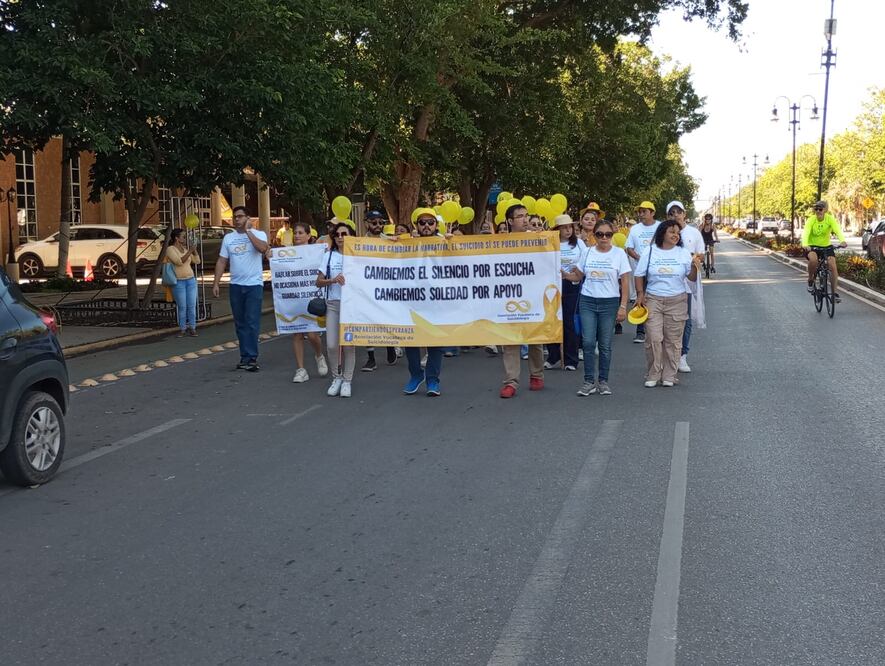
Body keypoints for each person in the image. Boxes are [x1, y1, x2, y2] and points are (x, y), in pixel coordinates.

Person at [634, 220, 701, 388]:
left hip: (677, 300)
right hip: (653, 299)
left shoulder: (683, 253)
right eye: (671, 231)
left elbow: (691, 278)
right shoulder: (649, 252)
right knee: (654, 338)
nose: (675, 235)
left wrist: (695, 267)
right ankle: (653, 373)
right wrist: (640, 294)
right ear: (662, 233)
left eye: (677, 233)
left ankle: (669, 375)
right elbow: (639, 274)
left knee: (673, 340)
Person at [571, 219, 631, 396]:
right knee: (588, 342)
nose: (604, 238)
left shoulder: (619, 254)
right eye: (600, 234)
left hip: (609, 303)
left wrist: (622, 306)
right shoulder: (587, 253)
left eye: (608, 234)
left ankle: (603, 381)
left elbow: (625, 282)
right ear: (594, 235)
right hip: (588, 300)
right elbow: (577, 276)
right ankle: (589, 381)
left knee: (604, 345)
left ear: (612, 235)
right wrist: (558, 273)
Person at [213, 205, 269, 372]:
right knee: (240, 323)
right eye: (234, 217)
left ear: (248, 218)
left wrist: (249, 232)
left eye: (240, 216)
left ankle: (252, 357)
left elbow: (263, 249)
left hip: (254, 285)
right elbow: (222, 261)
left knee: (252, 322)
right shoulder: (228, 238)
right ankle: (244, 356)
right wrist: (216, 282)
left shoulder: (259, 234)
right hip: (236, 285)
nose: (236, 220)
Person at [500, 203, 544, 398]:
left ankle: (537, 374)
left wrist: (543, 238)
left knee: (535, 337)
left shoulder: (538, 239)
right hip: (510, 296)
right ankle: (511, 381)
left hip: (533, 295)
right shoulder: (501, 242)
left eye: (526, 215)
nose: (525, 219)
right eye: (520, 216)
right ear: (510, 221)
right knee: (510, 340)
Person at [402, 208, 445, 396]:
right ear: (416, 226)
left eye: (430, 222)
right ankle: (416, 375)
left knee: (436, 342)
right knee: (410, 340)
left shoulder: (446, 243)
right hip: (413, 300)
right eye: (422, 222)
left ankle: (433, 380)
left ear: (436, 225)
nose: (426, 226)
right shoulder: (407, 244)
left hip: (438, 301)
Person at [317, 222, 356, 397]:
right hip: (333, 304)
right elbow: (318, 281)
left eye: (344, 234)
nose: (340, 237)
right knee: (332, 345)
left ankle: (347, 381)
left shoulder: (358, 255)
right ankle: (336, 377)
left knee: (348, 345)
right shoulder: (329, 256)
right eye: (337, 234)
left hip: (352, 307)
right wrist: (333, 280)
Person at [288, 221, 329, 383]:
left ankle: (319, 355)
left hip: (312, 297)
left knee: (312, 334)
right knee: (297, 333)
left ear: (308, 235)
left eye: (300, 233)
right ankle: (301, 369)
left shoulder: (317, 252)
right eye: (295, 233)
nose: (297, 236)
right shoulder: (287, 253)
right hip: (295, 298)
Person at [666, 201, 704, 374]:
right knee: (667, 322)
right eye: (672, 213)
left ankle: (682, 355)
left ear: (684, 213)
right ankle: (668, 356)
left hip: (687, 284)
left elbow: (701, 254)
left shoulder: (693, 233)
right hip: (667, 284)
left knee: (685, 321)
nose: (676, 215)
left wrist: (692, 259)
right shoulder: (664, 233)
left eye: (678, 212)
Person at [545, 214, 583, 371]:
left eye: (570, 227)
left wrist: (576, 272)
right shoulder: (551, 244)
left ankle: (571, 359)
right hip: (553, 285)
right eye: (564, 228)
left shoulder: (579, 243)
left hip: (572, 284)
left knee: (569, 321)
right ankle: (553, 356)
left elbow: (585, 260)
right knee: (552, 320)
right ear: (557, 230)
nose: (568, 230)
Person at [362, 209, 398, 370]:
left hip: (386, 288)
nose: (377, 226)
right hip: (367, 288)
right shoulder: (358, 244)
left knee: (386, 319)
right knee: (368, 322)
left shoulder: (389, 241)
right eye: (374, 222)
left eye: (380, 223)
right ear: (366, 223)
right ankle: (371, 358)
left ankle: (390, 345)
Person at [625, 201, 659, 344]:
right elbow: (628, 248)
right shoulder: (635, 229)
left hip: (658, 269)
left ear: (652, 213)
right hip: (641, 270)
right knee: (641, 297)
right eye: (640, 212)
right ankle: (640, 332)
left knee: (656, 298)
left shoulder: (660, 227)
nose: (641, 215)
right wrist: (640, 258)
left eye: (644, 212)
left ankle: (655, 330)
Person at [802, 200, 847, 302]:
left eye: (820, 209)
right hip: (812, 247)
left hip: (826, 247)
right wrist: (805, 244)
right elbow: (806, 233)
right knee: (813, 260)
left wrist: (842, 241)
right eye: (816, 209)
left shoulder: (830, 219)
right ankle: (810, 280)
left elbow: (837, 230)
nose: (818, 211)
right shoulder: (811, 220)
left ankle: (834, 293)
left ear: (825, 210)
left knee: (832, 266)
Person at [167, 228, 201, 337]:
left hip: (190, 280)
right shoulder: (170, 249)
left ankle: (192, 327)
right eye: (183, 236)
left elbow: (197, 261)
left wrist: (194, 250)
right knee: (182, 306)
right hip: (179, 282)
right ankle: (182, 328)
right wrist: (190, 250)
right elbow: (178, 262)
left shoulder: (185, 249)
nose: (185, 239)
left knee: (192, 305)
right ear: (177, 238)